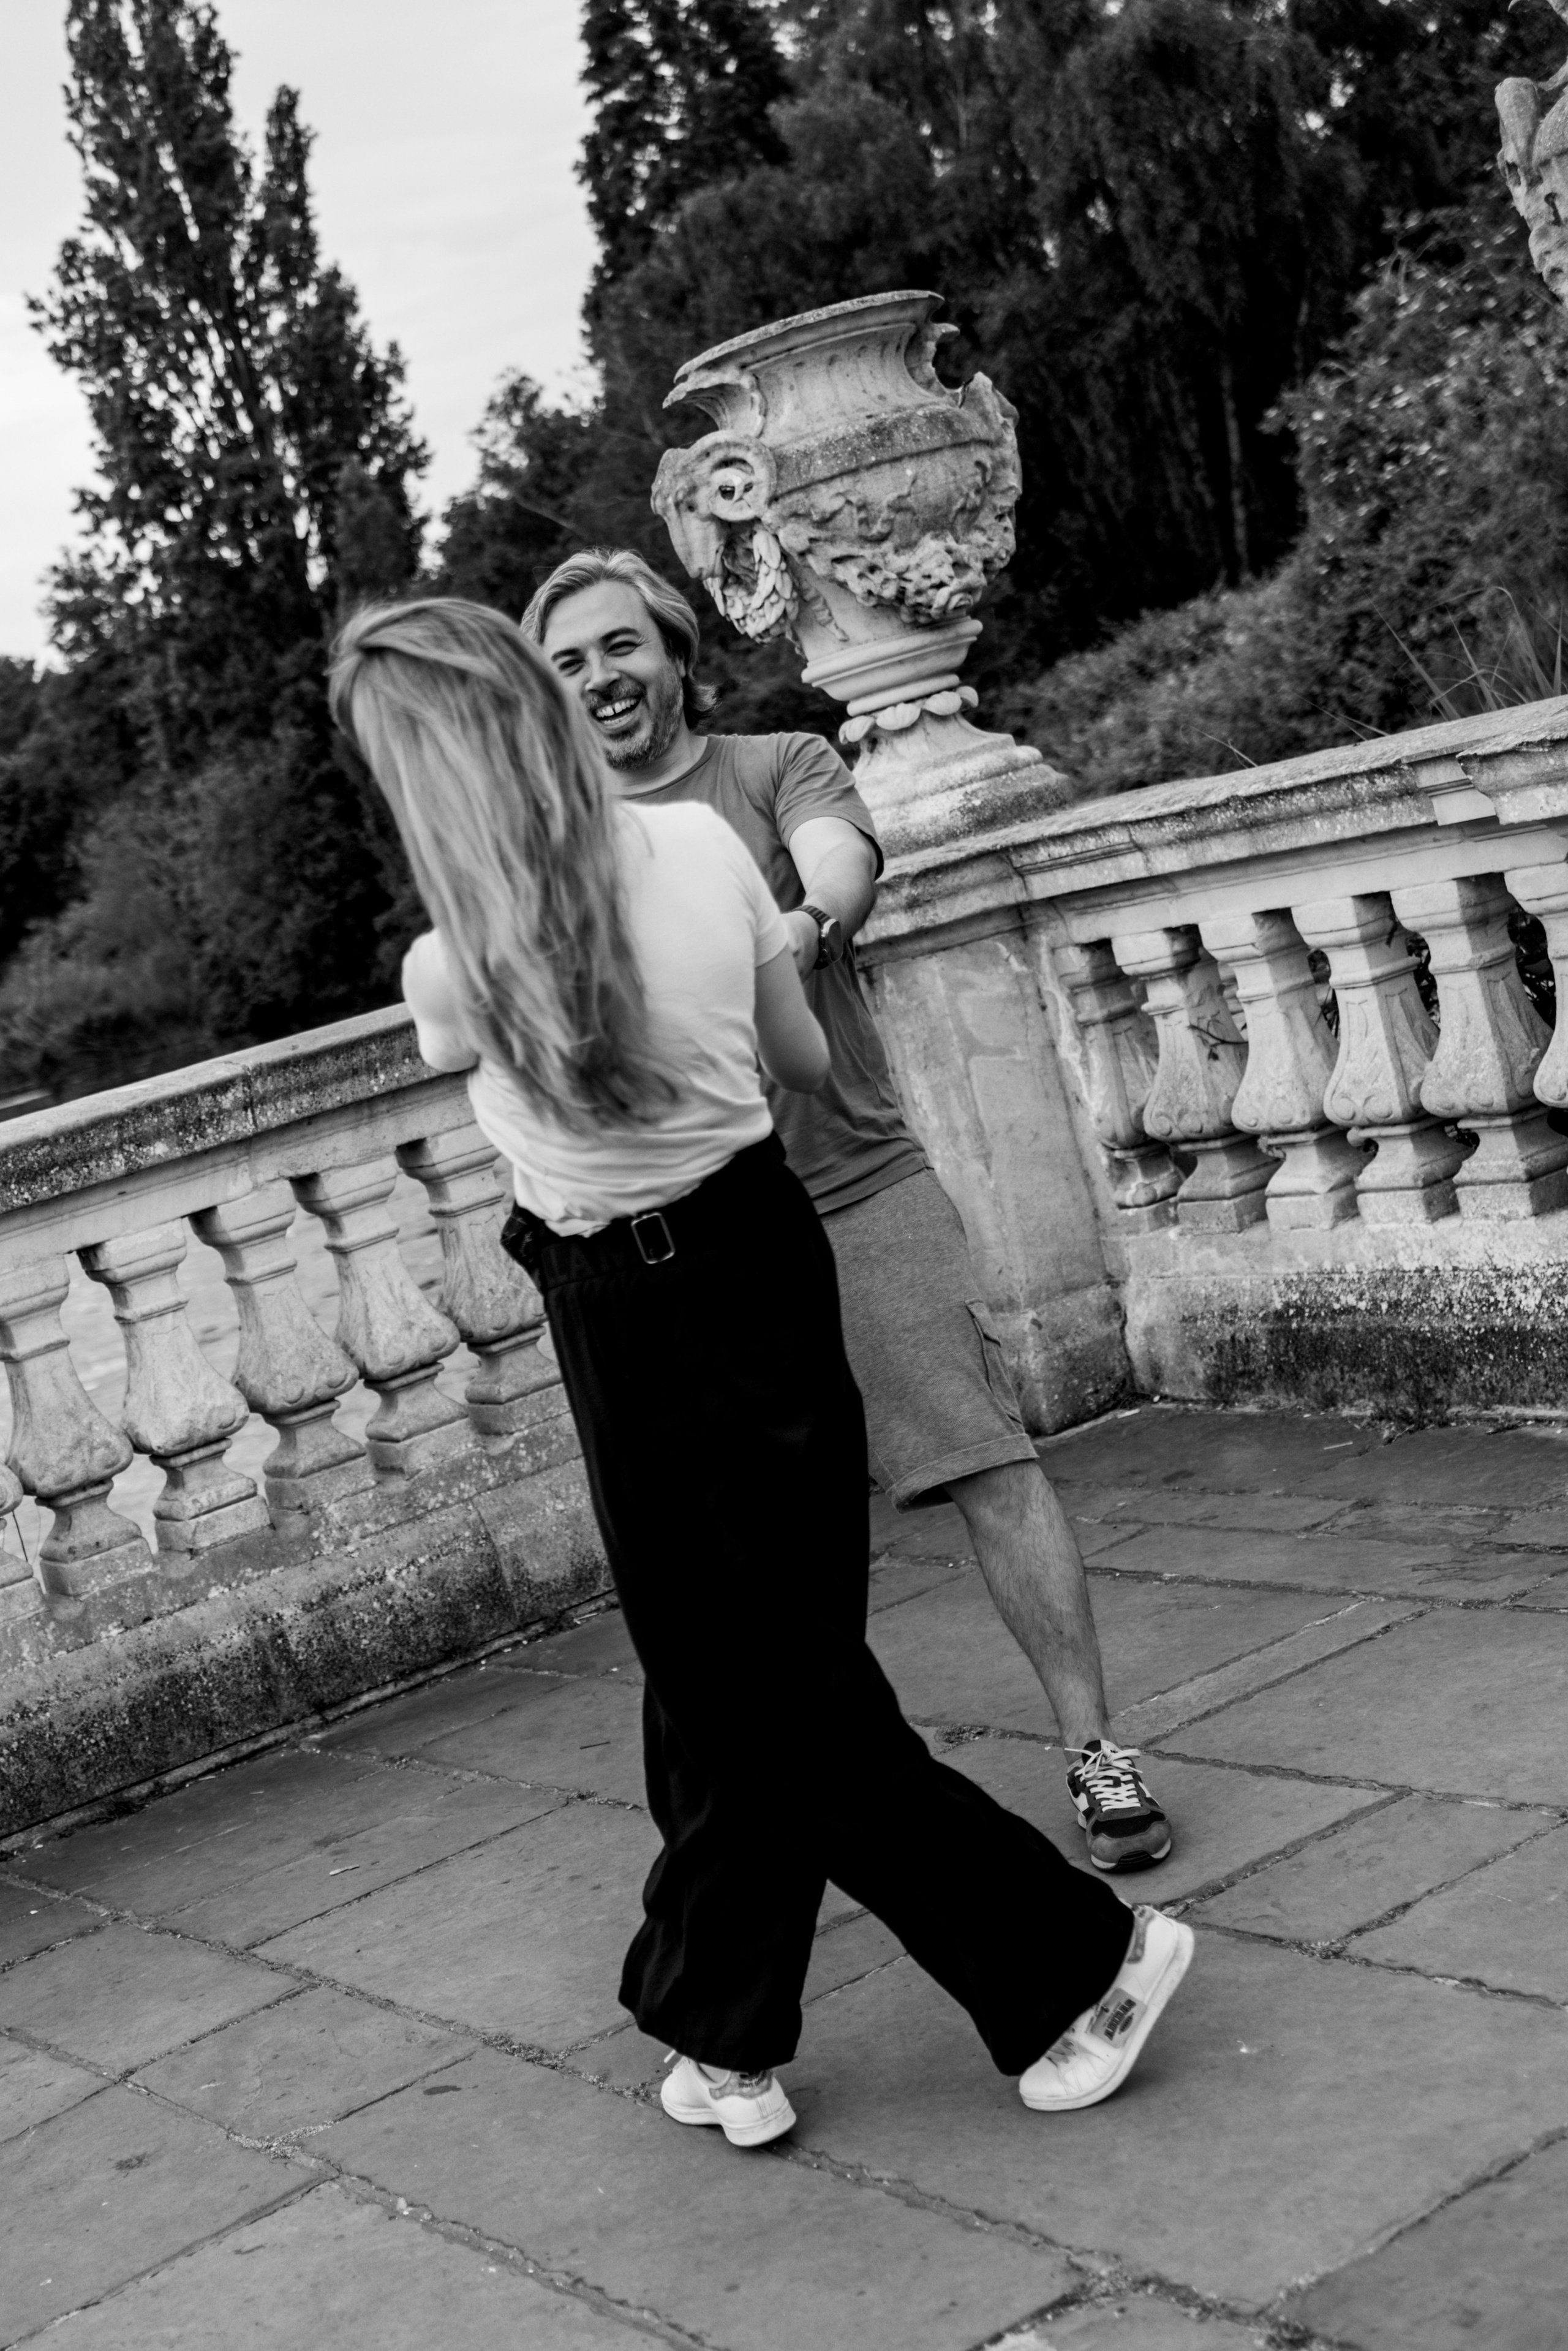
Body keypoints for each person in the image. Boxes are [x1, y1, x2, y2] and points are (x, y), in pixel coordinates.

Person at [328, 595, 1193, 2149]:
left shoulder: (450, 968)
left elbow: (507, 1098)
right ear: (536, 700)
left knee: (764, 1694)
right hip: (763, 1249)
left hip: (625, 1311)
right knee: (742, 1672)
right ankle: (717, 2028)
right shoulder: (708, 856)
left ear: (421, 782)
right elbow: (797, 1064)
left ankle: (1077, 1967)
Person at [521, 548, 1172, 1876]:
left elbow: (837, 863)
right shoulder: (559, 849)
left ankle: (1095, 1750)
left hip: (855, 1187)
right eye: (569, 662)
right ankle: (767, 1847)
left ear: (675, 653)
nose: (601, 678)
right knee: (729, 1573)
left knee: (982, 1460)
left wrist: (802, 927)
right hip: (690, 1237)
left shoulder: (774, 770)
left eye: (620, 646)